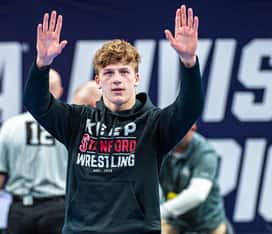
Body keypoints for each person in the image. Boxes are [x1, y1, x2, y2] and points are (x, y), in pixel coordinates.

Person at [24, 5, 203, 234]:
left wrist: (189, 62)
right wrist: (42, 64)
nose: (117, 79)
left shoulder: (154, 124)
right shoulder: (76, 121)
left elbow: (190, 106)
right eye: (108, 73)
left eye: (124, 72)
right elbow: (35, 102)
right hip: (81, 230)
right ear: (98, 81)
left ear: (136, 78)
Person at [0, 69, 68, 234]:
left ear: (34, 89)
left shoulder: (11, 126)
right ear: (60, 91)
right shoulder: (69, 126)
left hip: (21, 211)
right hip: (58, 210)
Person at [159, 125, 234, 234]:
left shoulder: (205, 152)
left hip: (208, 227)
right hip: (175, 222)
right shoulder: (159, 148)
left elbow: (197, 194)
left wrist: (162, 211)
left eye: (190, 128)